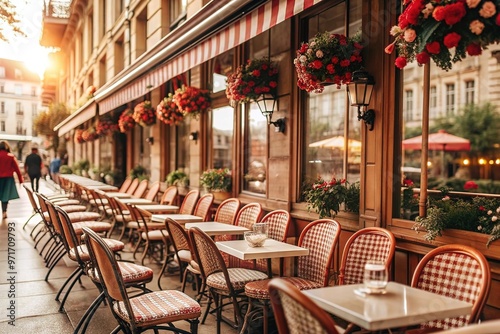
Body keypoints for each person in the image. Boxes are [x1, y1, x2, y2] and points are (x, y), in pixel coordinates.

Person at [0, 141, 24, 219]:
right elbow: (17, 169)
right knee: (5, 196)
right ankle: (4, 211)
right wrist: (20, 180)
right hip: (8, 179)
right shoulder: (10, 157)